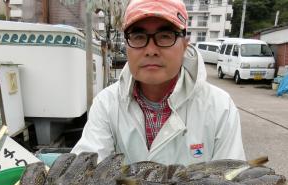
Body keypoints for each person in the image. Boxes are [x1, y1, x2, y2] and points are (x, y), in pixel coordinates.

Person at [72, 0, 245, 165]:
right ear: (126, 45)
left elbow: (231, 182)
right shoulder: (106, 104)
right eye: (139, 36)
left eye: (164, 36)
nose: (151, 50)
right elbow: (85, 172)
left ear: (185, 44)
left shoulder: (220, 107)